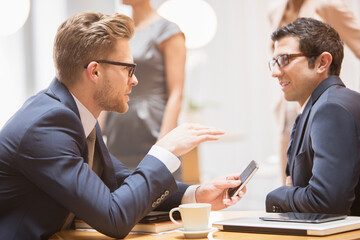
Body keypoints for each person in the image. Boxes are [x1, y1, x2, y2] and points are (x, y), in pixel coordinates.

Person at [0, 12, 246, 240]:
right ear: (95, 72)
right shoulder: (47, 126)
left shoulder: (74, 115)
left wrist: (195, 194)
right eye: (128, 69)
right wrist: (164, 150)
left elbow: (119, 184)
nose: (135, 80)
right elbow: (114, 217)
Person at [266, 17, 360, 215]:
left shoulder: (331, 109)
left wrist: (280, 195)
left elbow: (327, 202)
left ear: (322, 62)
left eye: (284, 59)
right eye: (274, 62)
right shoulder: (320, 105)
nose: (275, 72)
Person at [99, 0, 185, 180]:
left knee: (160, 200)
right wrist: (93, 137)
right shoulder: (119, 33)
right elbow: (108, 84)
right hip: (119, 133)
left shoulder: (168, 31)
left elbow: (176, 93)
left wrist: (163, 147)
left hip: (153, 129)